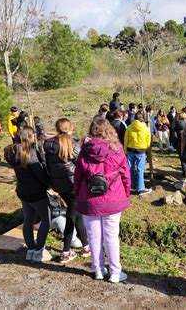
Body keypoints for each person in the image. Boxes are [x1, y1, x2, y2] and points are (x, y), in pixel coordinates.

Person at [75, 118, 131, 283]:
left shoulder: (84, 151)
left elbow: (77, 176)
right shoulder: (117, 149)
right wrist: (126, 193)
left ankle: (98, 270)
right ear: (109, 130)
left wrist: (78, 194)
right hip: (113, 198)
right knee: (112, 236)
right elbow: (126, 175)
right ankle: (115, 273)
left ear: (91, 131)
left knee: (93, 236)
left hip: (89, 199)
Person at [44, 118, 89, 263]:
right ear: (70, 128)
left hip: (59, 185)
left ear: (56, 129)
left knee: (78, 214)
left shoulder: (48, 144)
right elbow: (82, 165)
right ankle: (65, 252)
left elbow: (47, 165)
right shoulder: (74, 144)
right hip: (74, 185)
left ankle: (86, 246)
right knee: (71, 216)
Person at [4, 126, 51, 263]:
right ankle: (39, 251)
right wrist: (48, 183)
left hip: (22, 190)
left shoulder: (11, 151)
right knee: (46, 220)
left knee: (28, 220)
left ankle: (30, 250)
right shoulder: (30, 153)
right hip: (36, 192)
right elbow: (40, 174)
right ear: (29, 136)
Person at [124, 112, 152, 195]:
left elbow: (126, 140)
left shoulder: (129, 127)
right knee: (140, 169)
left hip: (130, 149)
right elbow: (148, 139)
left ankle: (129, 185)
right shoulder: (145, 128)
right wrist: (145, 147)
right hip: (141, 150)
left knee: (130, 168)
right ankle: (140, 188)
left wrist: (125, 150)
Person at [172, 112, 186, 188]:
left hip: (180, 145)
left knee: (183, 162)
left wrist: (175, 145)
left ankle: (185, 177)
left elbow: (174, 136)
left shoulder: (176, 126)